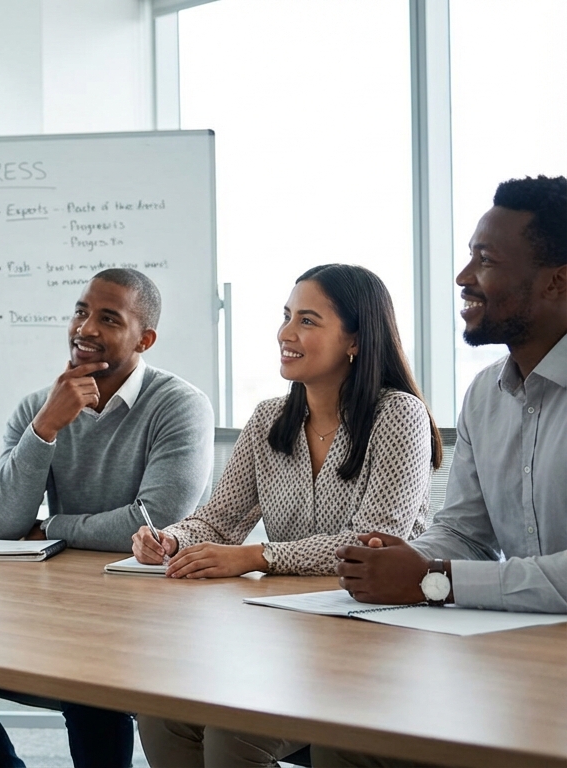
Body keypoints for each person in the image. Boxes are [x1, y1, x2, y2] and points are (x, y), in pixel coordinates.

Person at [130, 263, 442, 767]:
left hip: (375, 637)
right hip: (288, 635)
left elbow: (373, 545)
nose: (285, 333)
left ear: (355, 340)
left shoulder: (398, 414)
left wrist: (259, 556)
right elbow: (218, 519)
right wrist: (173, 539)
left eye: (308, 320)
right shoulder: (269, 419)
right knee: (161, 713)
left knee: (233, 737)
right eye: (286, 316)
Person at [0, 268, 214, 768]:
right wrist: (46, 427)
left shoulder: (180, 406)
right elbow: (0, 525)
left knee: (89, 685)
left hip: (143, 618)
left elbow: (154, 523)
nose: (85, 328)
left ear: (145, 339)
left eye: (108, 318)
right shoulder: (39, 407)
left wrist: (53, 528)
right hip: (58, 609)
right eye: (80, 312)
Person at [336, 177, 567, 611]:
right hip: (519, 639)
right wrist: (392, 561)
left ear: (557, 281)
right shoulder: (485, 395)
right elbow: (466, 535)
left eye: (487, 260)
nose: (463, 277)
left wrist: (436, 579)